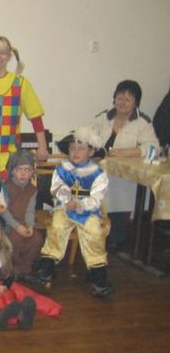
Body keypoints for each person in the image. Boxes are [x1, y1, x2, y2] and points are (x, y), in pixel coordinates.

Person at [36, 127, 115, 297]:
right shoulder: (62, 169)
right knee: (57, 227)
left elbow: (97, 198)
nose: (76, 152)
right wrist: (67, 200)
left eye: (81, 148)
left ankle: (97, 276)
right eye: (72, 148)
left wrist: (80, 204)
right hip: (65, 208)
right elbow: (57, 187)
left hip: (88, 211)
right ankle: (47, 268)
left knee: (94, 233)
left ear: (91, 151)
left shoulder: (98, 174)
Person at [90, 80, 160, 252]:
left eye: (128, 100)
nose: (122, 103)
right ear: (114, 99)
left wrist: (129, 152)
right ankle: (93, 233)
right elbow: (88, 138)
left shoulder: (143, 122)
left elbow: (154, 148)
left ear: (136, 103)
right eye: (119, 98)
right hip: (98, 168)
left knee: (119, 191)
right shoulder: (103, 117)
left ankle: (116, 237)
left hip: (124, 175)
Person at [0, 35, 48, 174]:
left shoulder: (20, 83)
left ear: (9, 56)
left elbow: (35, 117)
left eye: (3, 53)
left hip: (11, 159)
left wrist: (42, 147)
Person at [2, 150, 44, 281]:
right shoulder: (6, 187)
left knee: (36, 238)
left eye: (27, 170)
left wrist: (30, 226)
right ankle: (12, 269)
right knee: (14, 240)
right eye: (19, 169)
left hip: (23, 222)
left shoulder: (32, 189)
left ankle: (25, 269)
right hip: (8, 223)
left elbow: (30, 211)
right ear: (12, 171)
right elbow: (4, 212)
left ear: (32, 172)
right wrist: (17, 227)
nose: (23, 173)